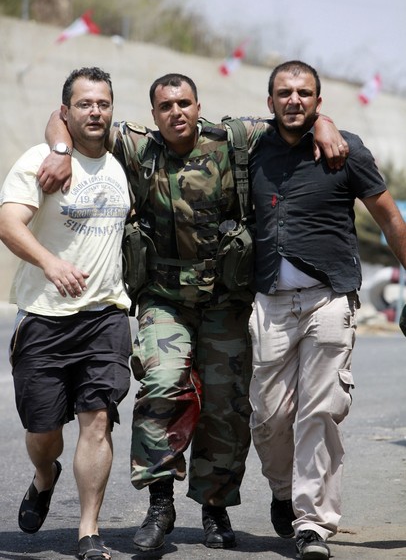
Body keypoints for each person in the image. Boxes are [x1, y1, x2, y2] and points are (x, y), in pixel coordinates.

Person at [40, 72, 348, 553]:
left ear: (197, 105)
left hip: (225, 300)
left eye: (184, 103)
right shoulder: (137, 145)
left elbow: (294, 116)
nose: (176, 113)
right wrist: (59, 152)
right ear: (154, 114)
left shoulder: (234, 138)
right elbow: (65, 118)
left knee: (225, 407)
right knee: (162, 385)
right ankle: (159, 504)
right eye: (165, 106)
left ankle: (215, 506)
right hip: (163, 298)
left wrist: (325, 122)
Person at [248, 60, 406, 559]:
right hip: (269, 300)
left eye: (304, 93)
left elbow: (390, 218)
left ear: (319, 101)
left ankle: (313, 523)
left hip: (329, 299)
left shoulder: (346, 150)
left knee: (319, 413)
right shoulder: (247, 147)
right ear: (269, 100)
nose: (294, 100)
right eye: (284, 93)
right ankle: (282, 491)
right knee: (268, 417)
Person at [0, 67, 133, 560]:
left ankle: (88, 531)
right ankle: (43, 475)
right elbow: (8, 222)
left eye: (103, 103)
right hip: (44, 316)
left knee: (97, 420)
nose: (95, 112)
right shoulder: (42, 159)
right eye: (84, 104)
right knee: (44, 433)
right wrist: (50, 262)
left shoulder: (124, 161)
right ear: (66, 111)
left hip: (106, 315)